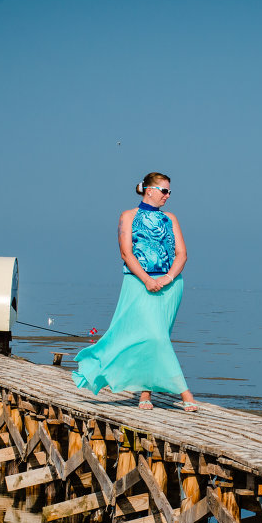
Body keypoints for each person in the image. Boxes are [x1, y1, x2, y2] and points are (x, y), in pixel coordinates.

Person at [72, 172, 198, 412]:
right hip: (138, 283)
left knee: (157, 337)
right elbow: (126, 253)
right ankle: (185, 392)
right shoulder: (128, 216)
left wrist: (168, 277)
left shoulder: (170, 218)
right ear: (149, 189)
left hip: (171, 286)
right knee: (154, 336)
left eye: (170, 191)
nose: (168, 196)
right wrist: (147, 280)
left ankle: (145, 394)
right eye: (164, 191)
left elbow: (182, 254)